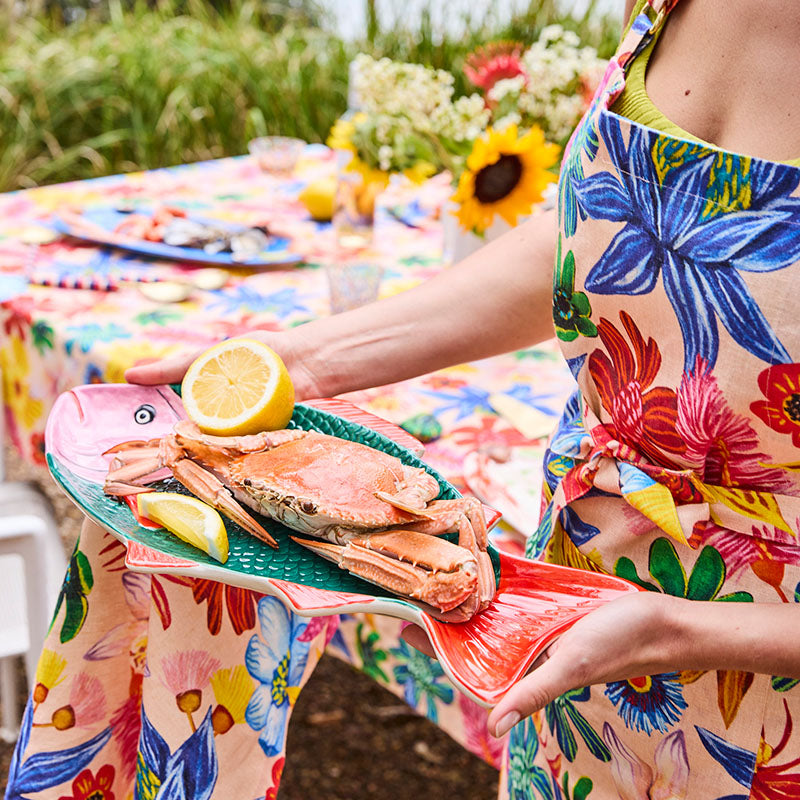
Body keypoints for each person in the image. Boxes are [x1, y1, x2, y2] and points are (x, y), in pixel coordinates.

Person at [10, 0, 800, 797]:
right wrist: (309, 361)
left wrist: (677, 628)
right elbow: (606, 234)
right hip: (579, 599)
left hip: (762, 683)